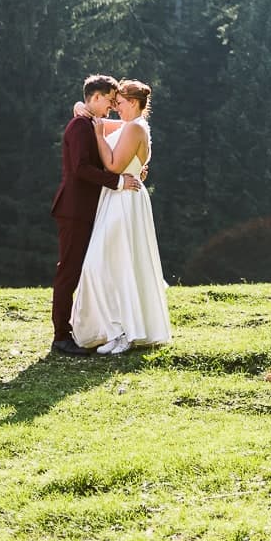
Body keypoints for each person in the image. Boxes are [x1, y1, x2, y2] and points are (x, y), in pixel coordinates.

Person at [70, 79, 172, 354]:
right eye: (114, 103)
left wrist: (101, 136)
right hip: (116, 199)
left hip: (124, 200)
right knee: (110, 265)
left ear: (135, 103)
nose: (116, 108)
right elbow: (93, 121)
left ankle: (126, 331)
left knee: (114, 264)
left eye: (121, 103)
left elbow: (113, 164)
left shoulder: (136, 127)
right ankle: (115, 329)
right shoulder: (130, 126)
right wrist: (81, 105)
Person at [50, 75, 142, 358]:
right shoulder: (80, 125)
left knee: (87, 270)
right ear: (98, 97)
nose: (112, 108)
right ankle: (61, 336)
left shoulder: (90, 122)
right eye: (110, 101)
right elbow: (79, 168)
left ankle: (87, 328)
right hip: (75, 209)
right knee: (69, 271)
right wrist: (117, 182)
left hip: (91, 210)